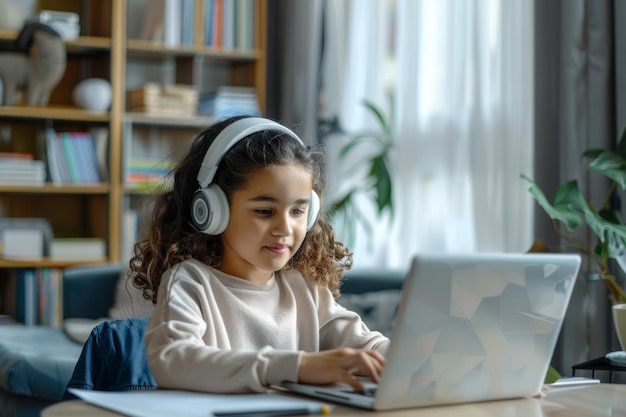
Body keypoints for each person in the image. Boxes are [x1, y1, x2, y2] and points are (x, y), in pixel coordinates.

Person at [129, 116, 389, 394]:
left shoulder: (304, 289)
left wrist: (401, 356)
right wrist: (296, 366)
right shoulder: (190, 283)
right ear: (211, 210)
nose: (285, 229)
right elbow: (174, 361)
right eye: (265, 211)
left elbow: (365, 343)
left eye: (298, 211)